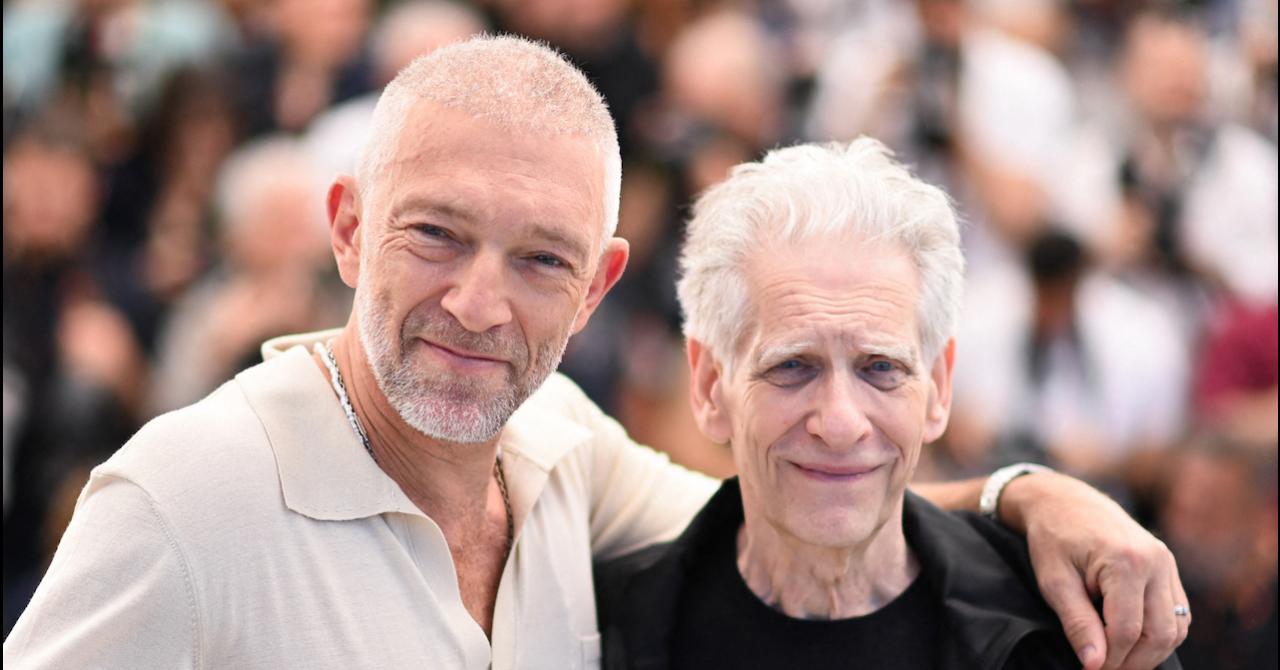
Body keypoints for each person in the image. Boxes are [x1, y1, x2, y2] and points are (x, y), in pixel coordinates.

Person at [5, 36, 1186, 669]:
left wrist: (1025, 495)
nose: (477, 304)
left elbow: (798, 490)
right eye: (436, 234)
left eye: (539, 261)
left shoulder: (557, 445)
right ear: (349, 227)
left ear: (596, 288)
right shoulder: (180, 499)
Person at [596, 138, 1183, 669]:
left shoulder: (1079, 632)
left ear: (939, 388)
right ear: (708, 386)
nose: (842, 423)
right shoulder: (602, 631)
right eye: (792, 366)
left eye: (881, 369)